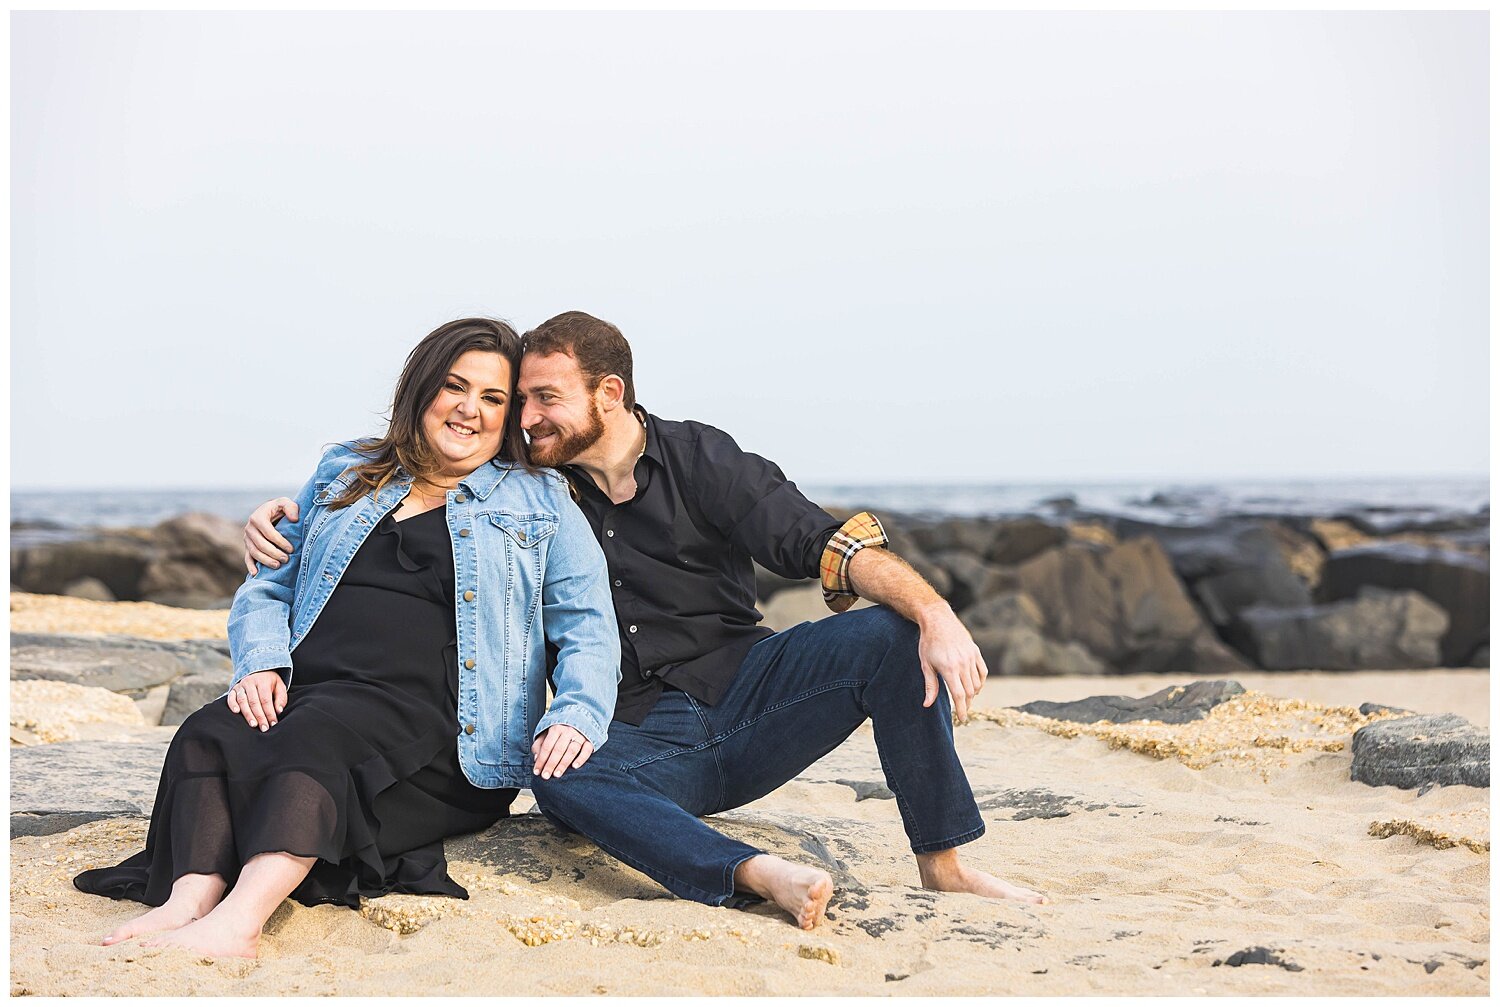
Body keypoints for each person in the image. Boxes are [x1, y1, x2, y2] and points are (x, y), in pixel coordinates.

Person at [244, 310, 1046, 932]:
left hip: (749, 694)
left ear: (610, 393)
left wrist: (936, 611)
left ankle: (943, 862)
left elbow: (816, 540)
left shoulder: (703, 460)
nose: (525, 418)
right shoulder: (528, 486)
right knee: (557, 775)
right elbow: (410, 483)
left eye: (542, 399)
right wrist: (297, 514)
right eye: (520, 400)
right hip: (631, 733)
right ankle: (750, 872)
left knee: (890, 632)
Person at [76, 317, 619, 958]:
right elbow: (269, 584)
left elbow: (587, 626)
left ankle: (241, 921)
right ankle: (189, 900)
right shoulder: (348, 469)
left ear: (507, 416)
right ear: (421, 389)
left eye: (494, 398)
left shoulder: (540, 499)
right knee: (208, 732)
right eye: (454, 386)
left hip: (440, 727)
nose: (469, 410)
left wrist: (578, 712)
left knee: (314, 741)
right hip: (316, 689)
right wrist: (259, 664)